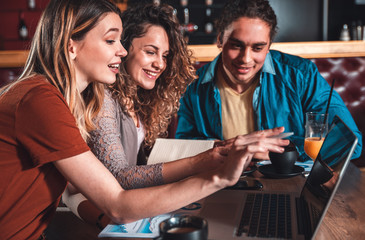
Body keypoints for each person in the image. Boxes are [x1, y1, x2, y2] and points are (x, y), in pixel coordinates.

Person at [0, 0, 289, 239]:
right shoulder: (41, 100)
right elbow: (116, 203)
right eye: (111, 40)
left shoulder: (56, 99)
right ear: (71, 45)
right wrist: (218, 176)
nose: (122, 50)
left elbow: (80, 192)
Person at [175, 0, 362, 161]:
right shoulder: (194, 85)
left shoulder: (301, 75)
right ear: (219, 40)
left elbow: (351, 142)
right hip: (219, 186)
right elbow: (183, 148)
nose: (245, 59)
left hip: (288, 185)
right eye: (236, 45)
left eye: (257, 48)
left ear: (269, 46)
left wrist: (280, 150)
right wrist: (230, 148)